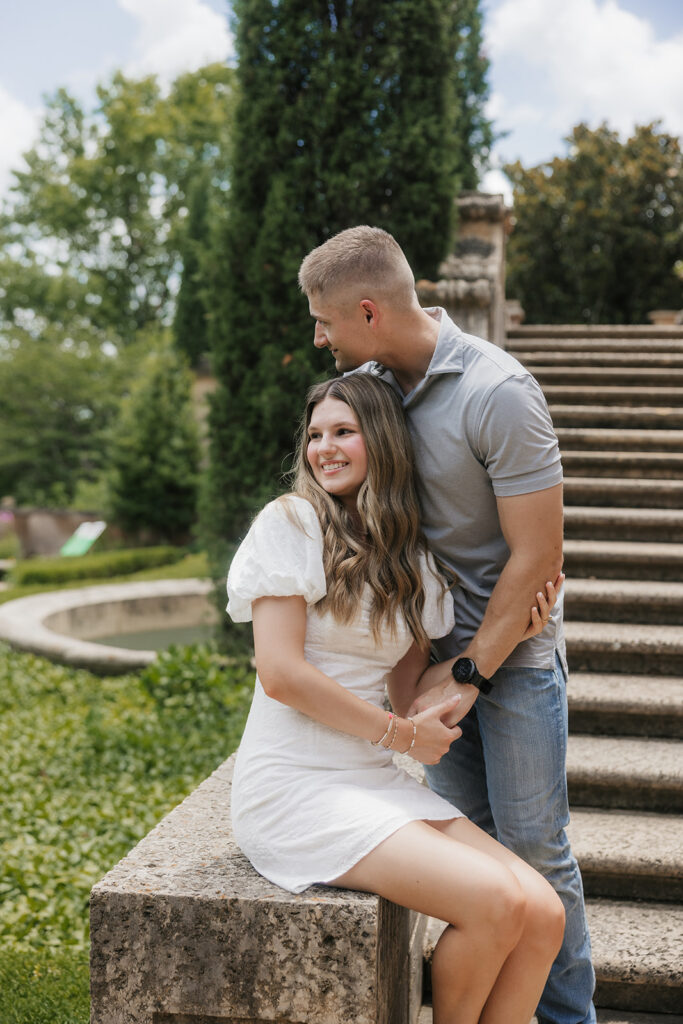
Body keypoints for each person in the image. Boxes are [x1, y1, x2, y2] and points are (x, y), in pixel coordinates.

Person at [298, 226, 596, 1024]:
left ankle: (568, 1020)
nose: (316, 336)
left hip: (512, 657)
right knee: (474, 853)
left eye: (323, 320)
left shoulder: (497, 391)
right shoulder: (367, 392)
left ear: (367, 311)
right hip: (422, 663)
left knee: (536, 851)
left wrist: (467, 675)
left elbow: (537, 556)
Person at [227, 373, 565, 1024]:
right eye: (316, 434)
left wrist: (507, 635)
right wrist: (399, 737)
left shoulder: (413, 560)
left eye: (343, 432)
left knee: (541, 914)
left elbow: (410, 693)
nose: (323, 447)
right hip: (294, 789)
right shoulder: (290, 522)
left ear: (381, 442)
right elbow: (281, 674)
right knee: (494, 902)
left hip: (371, 781)